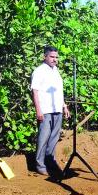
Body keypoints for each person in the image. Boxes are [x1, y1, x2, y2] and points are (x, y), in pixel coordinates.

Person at [31, 45, 70, 177]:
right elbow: (35, 91)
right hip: (45, 110)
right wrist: (38, 110)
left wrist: (64, 106)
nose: (55, 59)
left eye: (56, 57)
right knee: (43, 137)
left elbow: (59, 91)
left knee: (54, 138)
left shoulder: (56, 71)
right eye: (52, 57)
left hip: (57, 109)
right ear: (45, 57)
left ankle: (50, 161)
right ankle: (40, 165)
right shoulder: (39, 71)